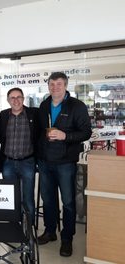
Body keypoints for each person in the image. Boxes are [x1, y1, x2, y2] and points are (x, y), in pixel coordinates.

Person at [37, 72, 91, 257]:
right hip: (45, 162)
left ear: (66, 85)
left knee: (68, 202)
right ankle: (50, 232)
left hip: (66, 163)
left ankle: (67, 239)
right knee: (49, 200)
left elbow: (86, 132)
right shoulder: (44, 105)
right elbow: (38, 130)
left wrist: (65, 136)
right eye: (52, 84)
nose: (55, 87)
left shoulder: (77, 106)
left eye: (59, 84)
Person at [0, 88, 40, 222]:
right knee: (10, 197)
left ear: (23, 98)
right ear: (8, 100)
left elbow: (38, 135)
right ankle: (14, 225)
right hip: (8, 163)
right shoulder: (4, 115)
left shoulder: (33, 113)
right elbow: (0, 136)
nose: (16, 101)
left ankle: (29, 229)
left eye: (18, 97)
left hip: (27, 162)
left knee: (28, 197)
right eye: (12, 98)